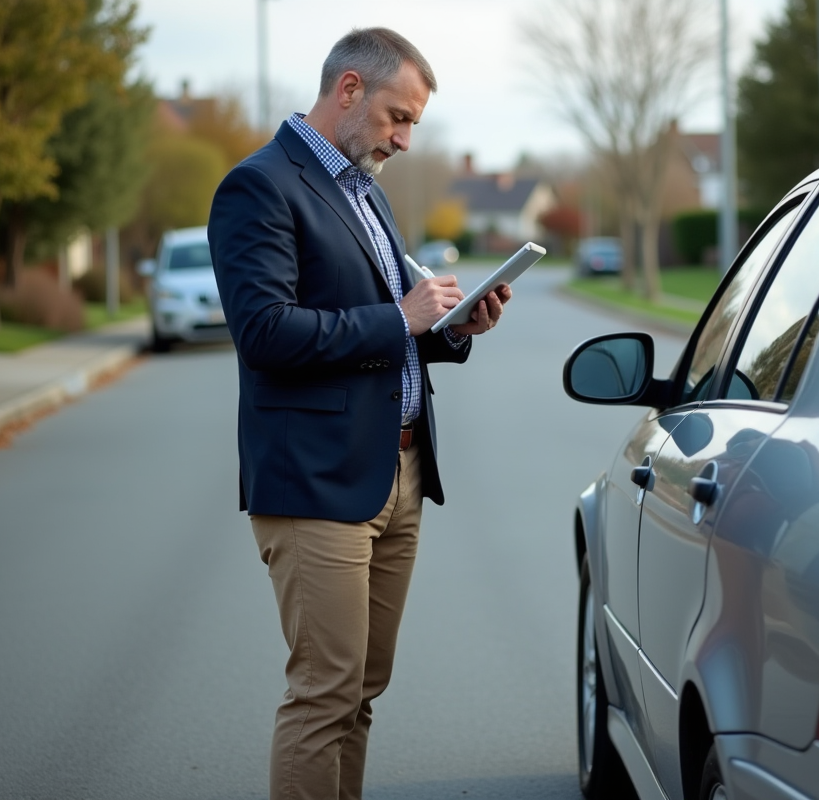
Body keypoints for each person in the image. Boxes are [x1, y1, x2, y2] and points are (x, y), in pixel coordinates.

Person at [208, 27, 512, 800]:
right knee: (324, 694)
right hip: (316, 483)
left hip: (398, 471)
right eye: (396, 117)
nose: (405, 139)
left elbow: (387, 329)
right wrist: (404, 318)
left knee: (361, 692)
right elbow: (266, 334)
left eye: (413, 123)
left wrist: (451, 328)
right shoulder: (260, 186)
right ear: (348, 89)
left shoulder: (366, 189)